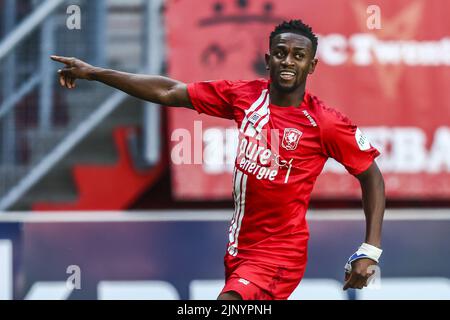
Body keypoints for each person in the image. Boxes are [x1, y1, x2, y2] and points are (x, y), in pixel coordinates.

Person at [51, 19, 385, 300]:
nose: (288, 62)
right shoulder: (245, 96)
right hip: (240, 249)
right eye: (281, 54)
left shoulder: (324, 122)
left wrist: (369, 250)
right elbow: (168, 91)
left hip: (279, 254)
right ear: (268, 59)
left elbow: (371, 176)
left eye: (299, 56)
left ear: (311, 65)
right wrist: (94, 73)